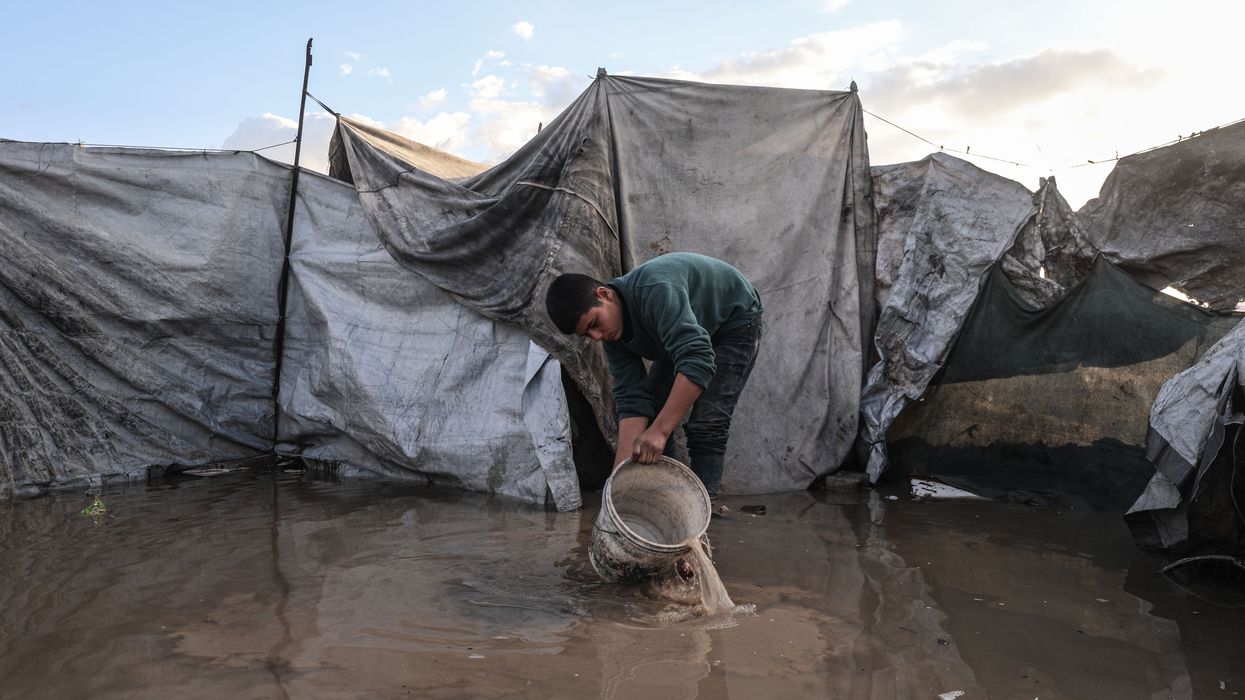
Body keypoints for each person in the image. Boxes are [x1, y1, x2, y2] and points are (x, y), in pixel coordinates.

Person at [545, 252, 763, 500]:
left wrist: (659, 432)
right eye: (587, 335)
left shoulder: (655, 289)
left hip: (733, 323)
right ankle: (664, 501)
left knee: (707, 423)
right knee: (655, 415)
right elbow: (632, 401)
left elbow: (698, 360)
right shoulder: (613, 338)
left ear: (604, 294)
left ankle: (703, 512)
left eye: (594, 323)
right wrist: (616, 487)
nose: (596, 337)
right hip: (687, 337)